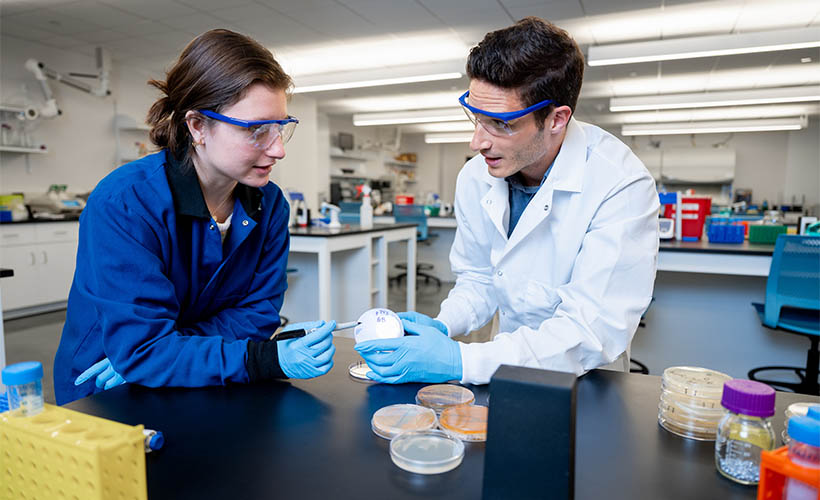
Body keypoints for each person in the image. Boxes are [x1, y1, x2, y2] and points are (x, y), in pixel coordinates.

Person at [356, 17, 659, 385]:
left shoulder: (620, 184)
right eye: (476, 117)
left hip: (588, 381)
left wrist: (459, 361)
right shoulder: (476, 176)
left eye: (501, 123)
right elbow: (480, 278)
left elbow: (590, 332)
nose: (477, 142)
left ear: (556, 120)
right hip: (503, 363)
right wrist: (443, 323)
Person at [54, 30, 335, 405]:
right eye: (257, 130)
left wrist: (167, 351)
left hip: (204, 379)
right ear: (198, 126)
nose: (278, 149)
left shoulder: (270, 205)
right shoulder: (126, 203)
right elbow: (142, 350)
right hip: (110, 389)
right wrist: (257, 358)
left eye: (281, 127)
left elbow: (257, 316)